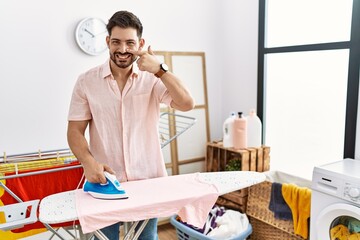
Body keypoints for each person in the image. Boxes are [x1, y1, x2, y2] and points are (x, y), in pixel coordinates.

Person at [67, 10, 194, 240]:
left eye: (130, 43)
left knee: (146, 238)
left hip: (148, 182)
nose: (123, 49)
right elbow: (75, 131)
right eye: (116, 42)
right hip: (106, 183)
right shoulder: (86, 82)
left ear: (141, 43)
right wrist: (88, 162)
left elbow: (186, 103)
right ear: (107, 41)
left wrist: (160, 69)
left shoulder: (152, 79)